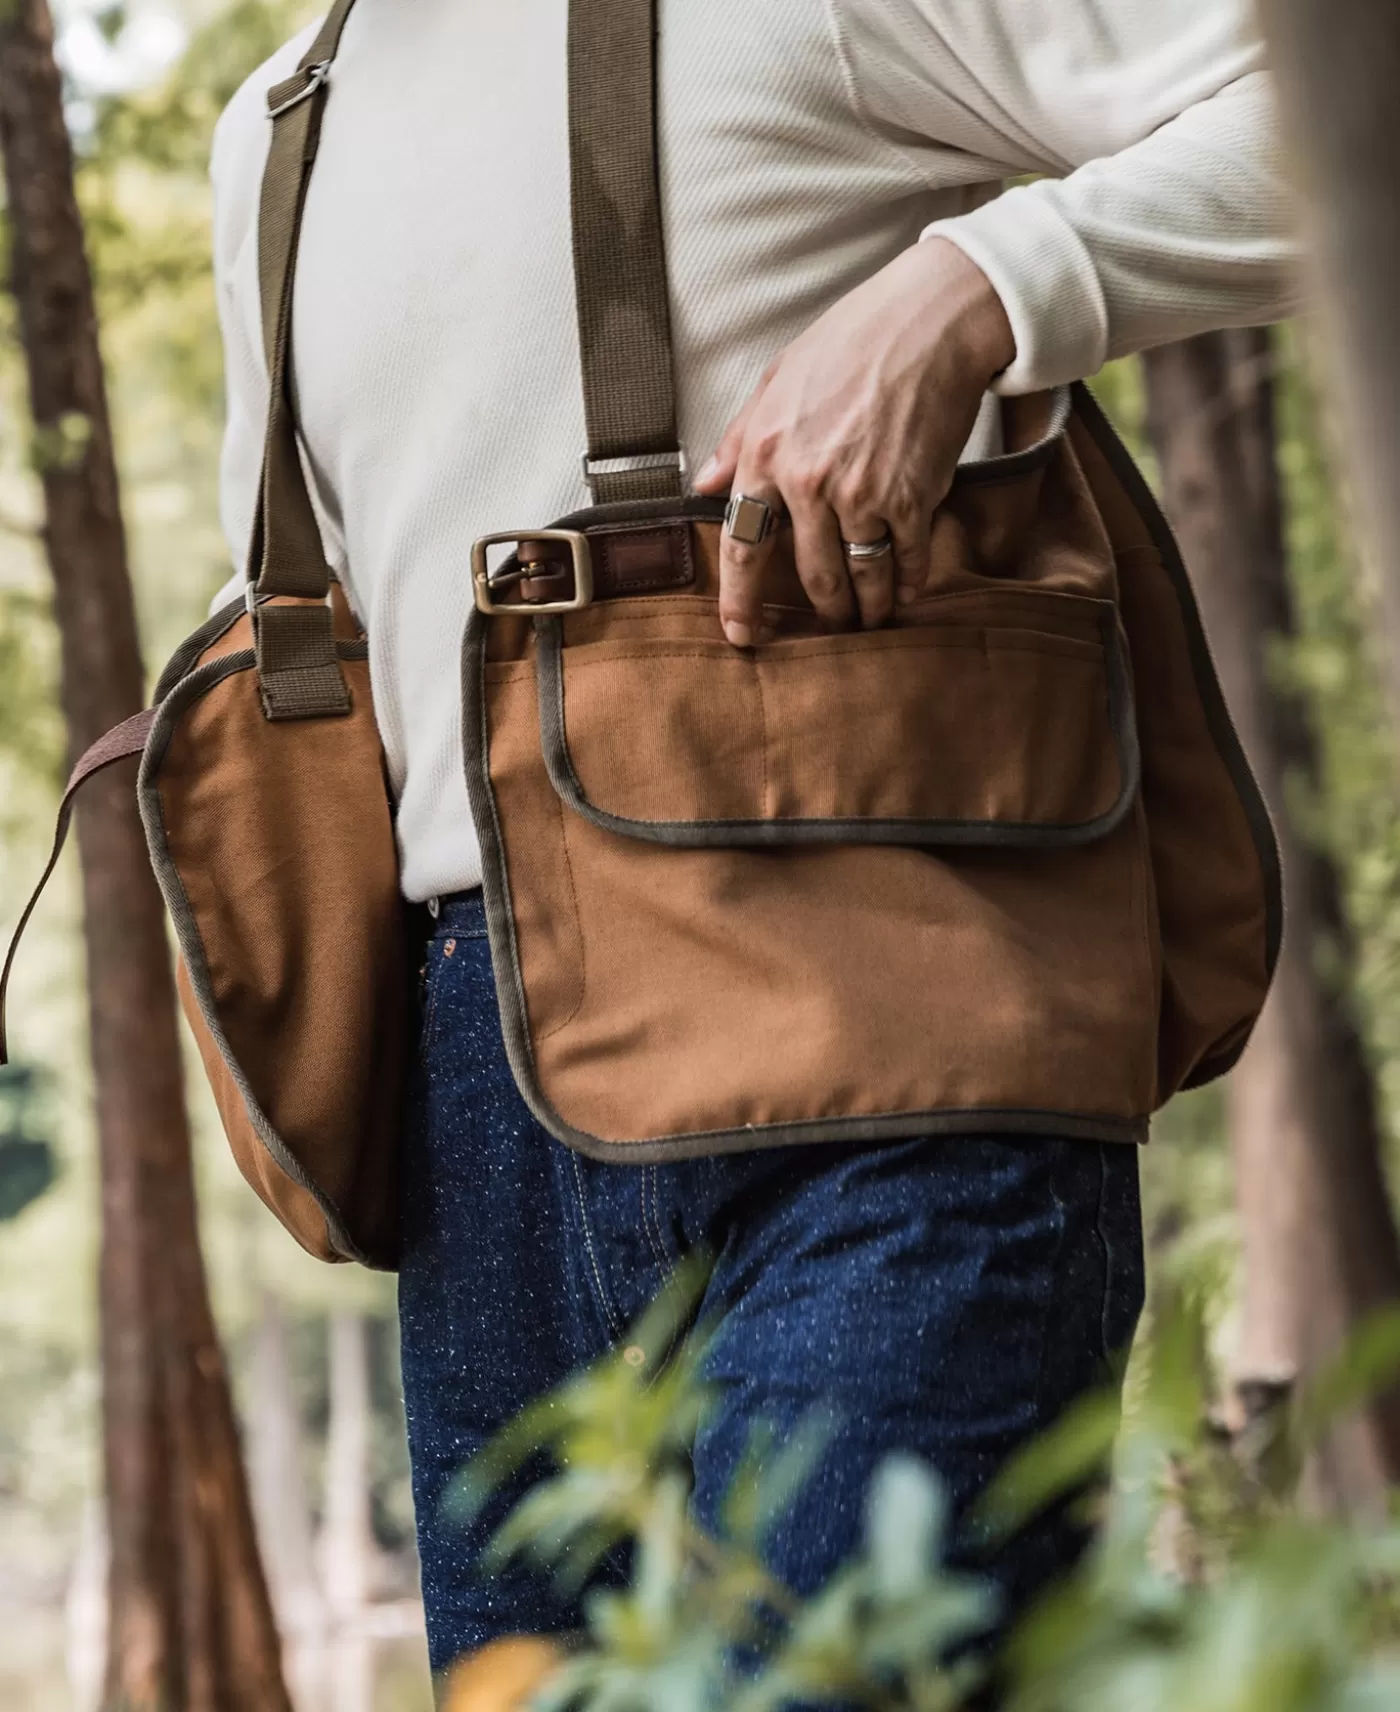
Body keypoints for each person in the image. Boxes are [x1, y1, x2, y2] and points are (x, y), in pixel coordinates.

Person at [210, 0, 1297, 1675]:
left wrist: (979, 290)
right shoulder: (277, 126)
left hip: (890, 1011)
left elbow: (1323, 110)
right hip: (479, 1103)